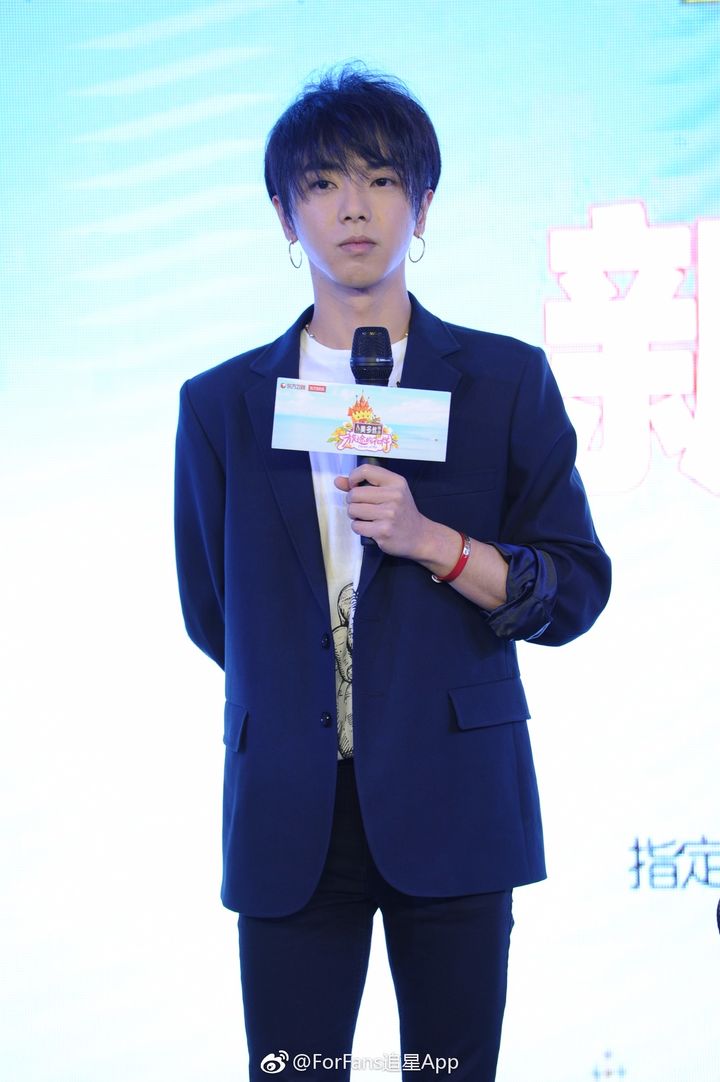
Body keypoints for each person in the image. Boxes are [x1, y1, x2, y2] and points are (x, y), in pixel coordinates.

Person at [174, 64, 611, 1082]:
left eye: (380, 178)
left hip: (454, 794)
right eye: (322, 183)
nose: (354, 207)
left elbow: (574, 586)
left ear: (422, 203)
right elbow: (213, 609)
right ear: (285, 216)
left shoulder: (502, 381)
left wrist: (435, 543)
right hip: (290, 807)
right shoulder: (223, 404)